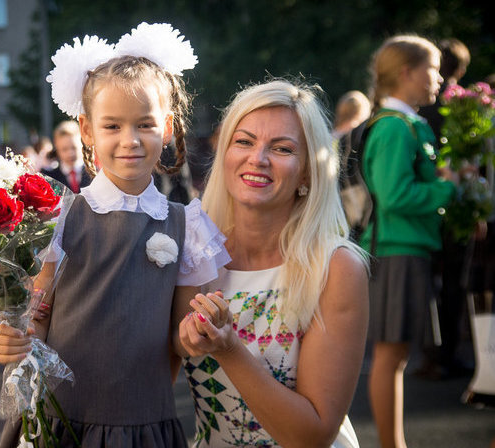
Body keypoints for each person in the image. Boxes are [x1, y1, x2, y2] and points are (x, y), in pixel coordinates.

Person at [0, 23, 230, 447]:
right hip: (62, 422)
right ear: (86, 130)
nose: (130, 140)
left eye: (145, 124)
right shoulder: (59, 219)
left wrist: (199, 331)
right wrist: (12, 340)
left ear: (168, 127)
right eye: (112, 126)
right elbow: (36, 319)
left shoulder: (186, 225)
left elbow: (179, 338)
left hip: (143, 424)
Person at [176, 80, 369, 447]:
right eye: (244, 141)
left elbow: (311, 436)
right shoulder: (192, 254)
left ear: (308, 171)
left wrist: (228, 348)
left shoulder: (337, 268)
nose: (258, 158)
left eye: (281, 148)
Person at [360, 35, 457, 448]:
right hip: (396, 250)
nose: (439, 79)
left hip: (405, 248)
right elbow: (394, 195)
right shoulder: (395, 128)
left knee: (396, 355)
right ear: (407, 73)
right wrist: (446, 190)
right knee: (390, 354)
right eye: (433, 69)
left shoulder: (404, 124)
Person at [417, 38, 473, 381]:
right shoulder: (468, 108)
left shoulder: (421, 110)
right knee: (454, 282)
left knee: (428, 283)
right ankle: (449, 352)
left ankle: (429, 354)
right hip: (455, 207)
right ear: (463, 69)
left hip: (425, 208)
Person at [40, 120, 91, 193]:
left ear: (82, 145)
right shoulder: (50, 178)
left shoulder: (95, 174)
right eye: (64, 149)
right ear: (57, 149)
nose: (70, 153)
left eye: (74, 147)